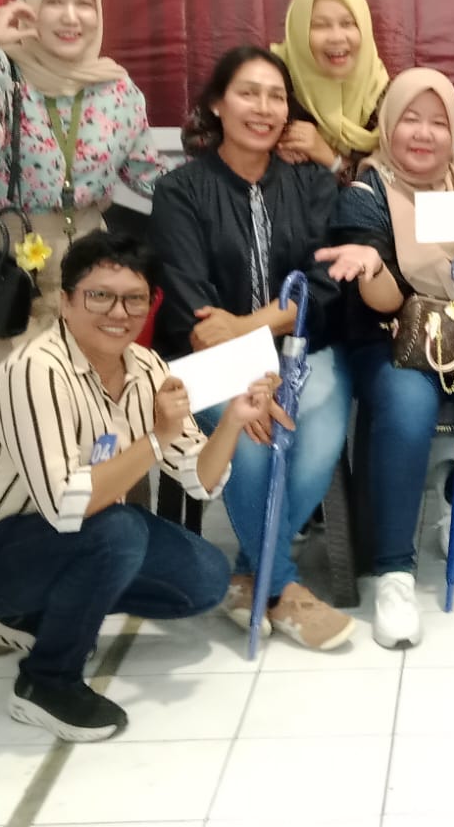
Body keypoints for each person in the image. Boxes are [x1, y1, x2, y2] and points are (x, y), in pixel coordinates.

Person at [0, 233, 284, 742]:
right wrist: (156, 439)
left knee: (204, 578)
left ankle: (26, 615)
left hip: (58, 538)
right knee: (118, 532)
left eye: (134, 299)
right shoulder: (35, 372)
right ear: (66, 302)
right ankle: (45, 683)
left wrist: (233, 421)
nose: (118, 312)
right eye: (99, 296)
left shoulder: (147, 367)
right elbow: (69, 505)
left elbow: (200, 481)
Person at [319, 68, 454, 648]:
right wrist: (374, 270)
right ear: (388, 125)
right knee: (406, 409)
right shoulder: (365, 195)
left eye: (438, 122)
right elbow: (382, 301)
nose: (423, 133)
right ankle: (395, 574)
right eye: (410, 119)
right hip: (396, 332)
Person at [148, 45, 355, 651]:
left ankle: (249, 576)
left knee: (318, 430)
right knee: (253, 440)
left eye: (275, 96)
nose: (263, 108)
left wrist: (248, 326)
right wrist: (245, 354)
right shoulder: (180, 190)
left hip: (307, 347)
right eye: (247, 93)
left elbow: (324, 285)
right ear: (217, 103)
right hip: (207, 361)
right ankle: (282, 586)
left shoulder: (313, 184)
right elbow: (195, 313)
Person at [0, 0, 166, 415]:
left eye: (85, 2)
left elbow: (152, 180)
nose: (70, 16)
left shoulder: (117, 90)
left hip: (87, 265)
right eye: (53, 0)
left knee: (84, 416)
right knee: (1, 414)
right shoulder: (0, 72)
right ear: (28, 6)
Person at [273, 0, 390, 178]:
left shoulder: (385, 99)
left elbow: (394, 185)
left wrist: (329, 157)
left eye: (348, 23)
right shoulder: (271, 83)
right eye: (320, 25)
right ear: (299, 30)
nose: (337, 37)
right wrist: (271, 151)